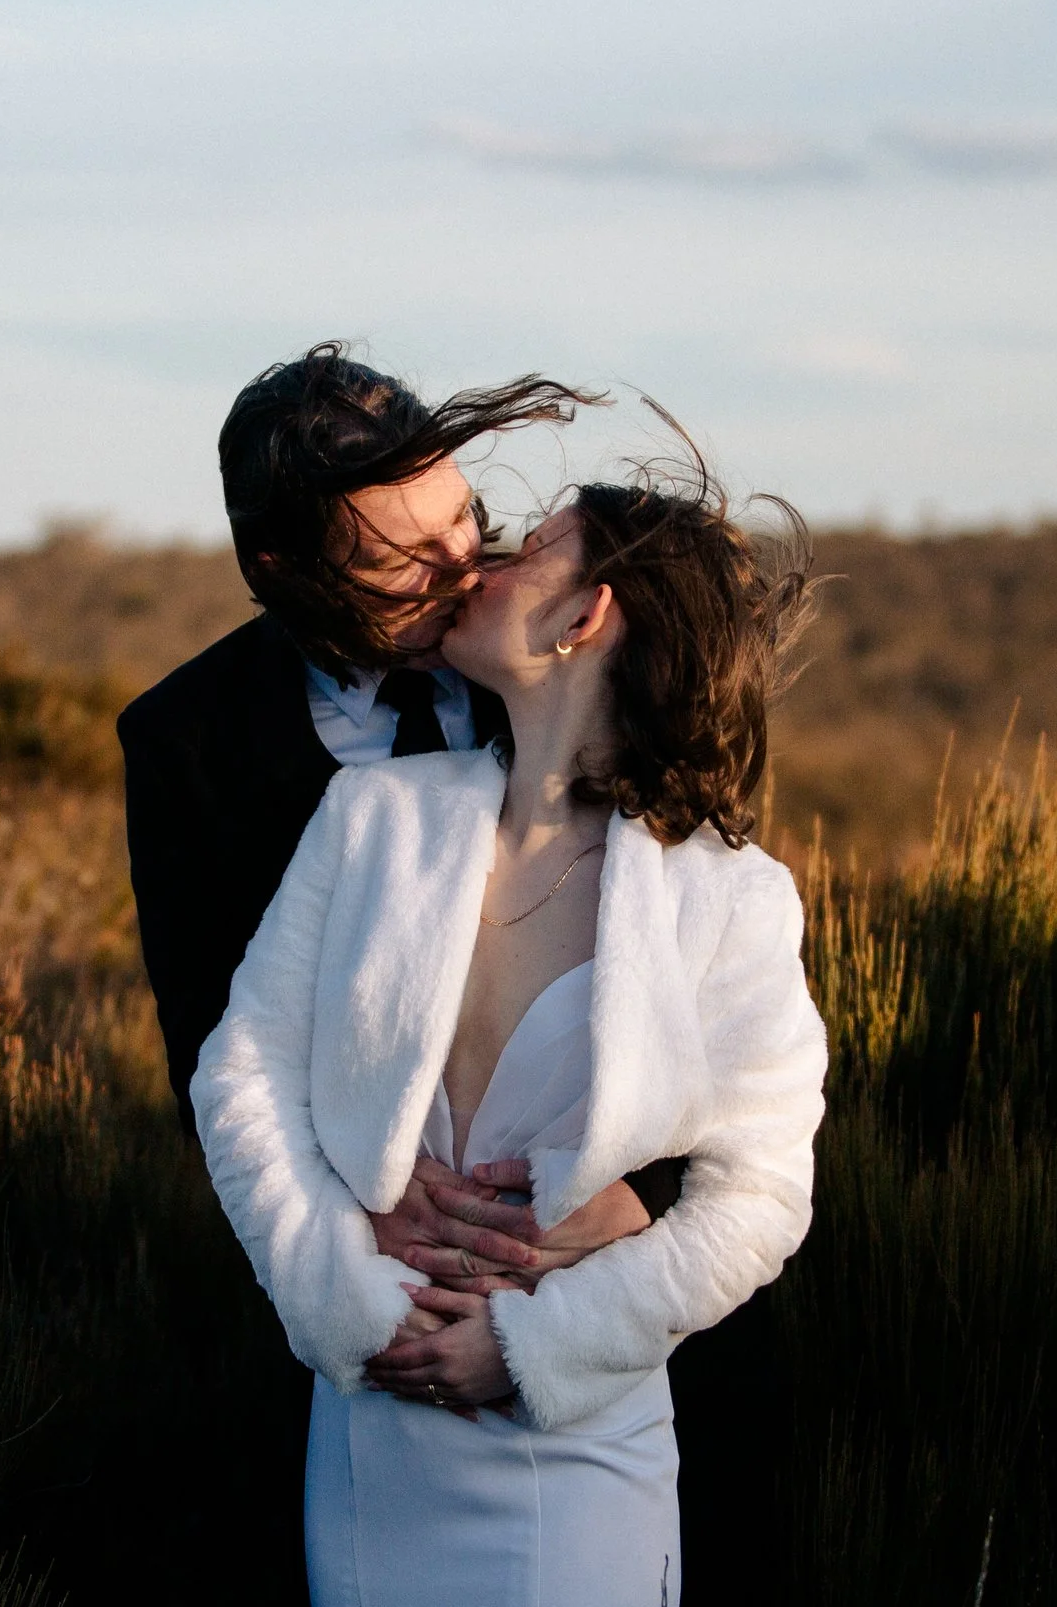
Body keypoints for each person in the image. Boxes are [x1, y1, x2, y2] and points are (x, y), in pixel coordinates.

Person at [191, 446, 827, 1607]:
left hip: (570, 1442)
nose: (481, 560)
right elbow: (238, 1074)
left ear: (586, 612)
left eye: (530, 541)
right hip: (374, 1429)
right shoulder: (375, 819)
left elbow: (764, 1194)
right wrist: (348, 1308)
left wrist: (534, 1345)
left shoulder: (727, 897)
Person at [117, 344, 682, 1294]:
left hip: (605, 1275)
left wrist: (643, 1199)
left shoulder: (557, 645)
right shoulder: (189, 741)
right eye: (401, 557)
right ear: (284, 569)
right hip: (353, 1283)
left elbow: (701, 975)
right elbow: (214, 1060)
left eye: (460, 514)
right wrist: (358, 1195)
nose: (462, 563)